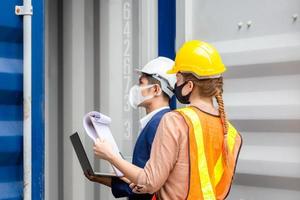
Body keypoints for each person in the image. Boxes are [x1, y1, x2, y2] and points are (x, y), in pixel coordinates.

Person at [93, 40, 242, 200]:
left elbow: (150, 181)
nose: (175, 84)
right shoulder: (232, 135)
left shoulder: (176, 121)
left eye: (177, 78)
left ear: (189, 86)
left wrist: (111, 156)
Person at [85, 57, 176, 200]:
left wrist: (111, 156)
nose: (136, 89)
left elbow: (147, 184)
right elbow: (137, 182)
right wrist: (98, 177)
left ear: (156, 89)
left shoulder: (160, 124)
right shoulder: (157, 121)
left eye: (141, 83)